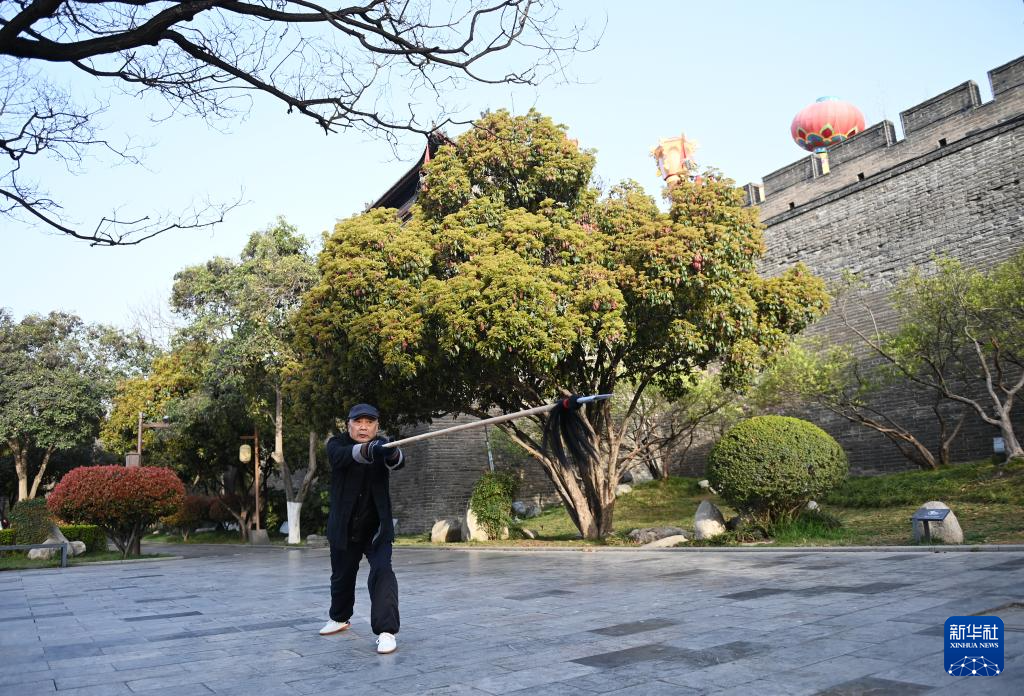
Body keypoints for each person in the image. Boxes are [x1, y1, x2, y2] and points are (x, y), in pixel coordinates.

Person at [320, 403, 405, 654]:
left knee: (383, 572)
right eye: (358, 422)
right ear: (348, 425)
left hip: (376, 528)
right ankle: (340, 618)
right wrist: (370, 450)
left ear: (377, 426)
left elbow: (399, 462)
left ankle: (387, 631)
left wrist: (390, 452)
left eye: (369, 422)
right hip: (344, 527)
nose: (364, 427)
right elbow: (344, 457)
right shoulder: (336, 445)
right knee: (342, 576)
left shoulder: (383, 445)